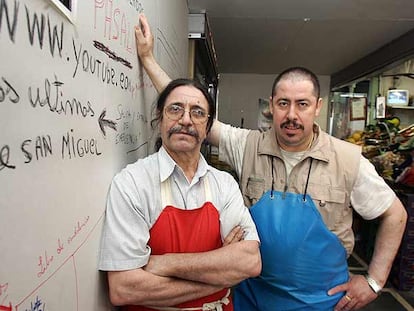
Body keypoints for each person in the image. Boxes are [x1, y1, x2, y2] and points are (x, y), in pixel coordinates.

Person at [134, 13, 408, 311]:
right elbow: (189, 110)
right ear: (271, 107)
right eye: (283, 103)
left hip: (321, 301)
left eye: (302, 104)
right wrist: (148, 59)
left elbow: (395, 215)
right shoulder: (248, 145)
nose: (292, 114)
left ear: (317, 107)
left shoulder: (348, 159)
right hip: (252, 296)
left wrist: (374, 281)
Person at [98, 78, 261, 311]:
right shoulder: (132, 182)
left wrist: (164, 264)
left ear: (207, 127)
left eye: (197, 112)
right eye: (175, 109)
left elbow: (250, 262)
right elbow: (124, 288)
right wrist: (220, 277)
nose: (185, 120)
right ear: (159, 118)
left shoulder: (224, 184)